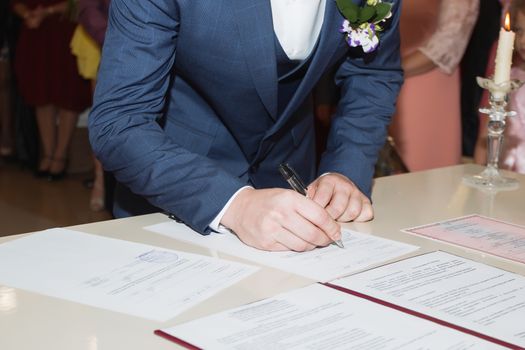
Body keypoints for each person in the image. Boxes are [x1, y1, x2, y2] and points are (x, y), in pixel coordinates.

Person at [89, 0, 403, 252]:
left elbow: (372, 75)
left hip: (293, 184)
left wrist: (345, 169)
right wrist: (235, 205)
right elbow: (120, 121)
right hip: (176, 190)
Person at [389, 0, 479, 172]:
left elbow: (449, 41)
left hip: (424, 82)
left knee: (418, 166)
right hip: (377, 80)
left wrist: (386, 69)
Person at [12, 0, 91, 180]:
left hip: (65, 29)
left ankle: (60, 155)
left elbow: (81, 3)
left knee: (68, 93)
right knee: (40, 92)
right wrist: (27, 14)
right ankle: (48, 154)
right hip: (35, 30)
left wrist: (48, 11)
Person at [474, 0, 525, 174]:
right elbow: (486, 135)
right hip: (507, 171)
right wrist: (478, 170)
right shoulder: (508, 79)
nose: (523, 40)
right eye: (518, 30)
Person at [71, 0, 110, 211]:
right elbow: (88, 8)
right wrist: (118, 37)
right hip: (103, 38)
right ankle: (100, 180)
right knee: (104, 113)